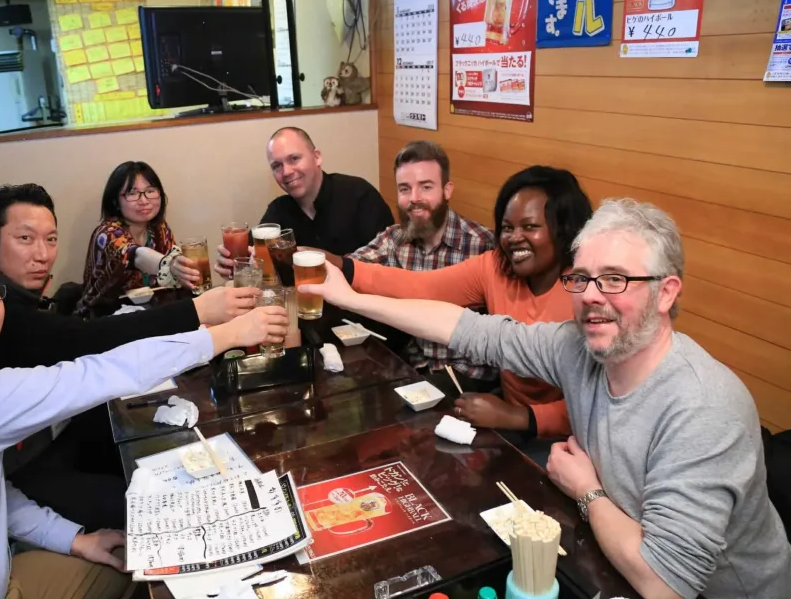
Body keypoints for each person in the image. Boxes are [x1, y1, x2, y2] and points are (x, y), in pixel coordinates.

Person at [302, 199, 791, 599]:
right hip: (614, 559)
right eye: (582, 278)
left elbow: (665, 583)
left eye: (615, 279)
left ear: (666, 293)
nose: (591, 296)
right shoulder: (576, 347)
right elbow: (467, 328)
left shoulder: (703, 407)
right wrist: (352, 299)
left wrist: (587, 491)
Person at [0, 227, 287, 599]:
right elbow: (97, 372)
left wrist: (74, 540)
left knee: (128, 557)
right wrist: (225, 334)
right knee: (161, 566)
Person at [0, 183, 261, 530]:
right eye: (25, 239)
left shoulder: (160, 230)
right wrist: (198, 311)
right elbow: (85, 340)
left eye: (50, 239)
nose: (42, 254)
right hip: (17, 473)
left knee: (157, 437)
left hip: (53, 435)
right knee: (163, 505)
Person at [340, 167, 592, 443]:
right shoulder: (495, 265)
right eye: (507, 227)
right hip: (509, 419)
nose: (514, 237)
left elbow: (596, 402)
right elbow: (423, 288)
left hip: (570, 438)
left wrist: (518, 417)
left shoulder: (588, 290)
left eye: (530, 227)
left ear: (563, 230)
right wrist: (342, 268)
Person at [348, 140, 495, 382]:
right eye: (404, 189)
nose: (414, 198)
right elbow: (351, 267)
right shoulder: (394, 238)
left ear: (447, 190)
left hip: (469, 378)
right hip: (415, 370)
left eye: (426, 187)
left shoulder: (483, 245)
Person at [213, 126, 394, 280]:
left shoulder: (359, 195)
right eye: (277, 166)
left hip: (359, 307)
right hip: (302, 307)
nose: (286, 172)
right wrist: (232, 263)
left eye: (294, 159)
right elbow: (250, 258)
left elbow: (389, 266)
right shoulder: (278, 211)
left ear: (317, 157)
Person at [75, 161, 198, 317]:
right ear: (115, 201)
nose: (144, 201)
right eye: (132, 193)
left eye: (150, 191)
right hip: (104, 320)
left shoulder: (159, 229)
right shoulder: (106, 234)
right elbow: (133, 255)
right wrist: (170, 265)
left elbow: (171, 288)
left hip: (150, 317)